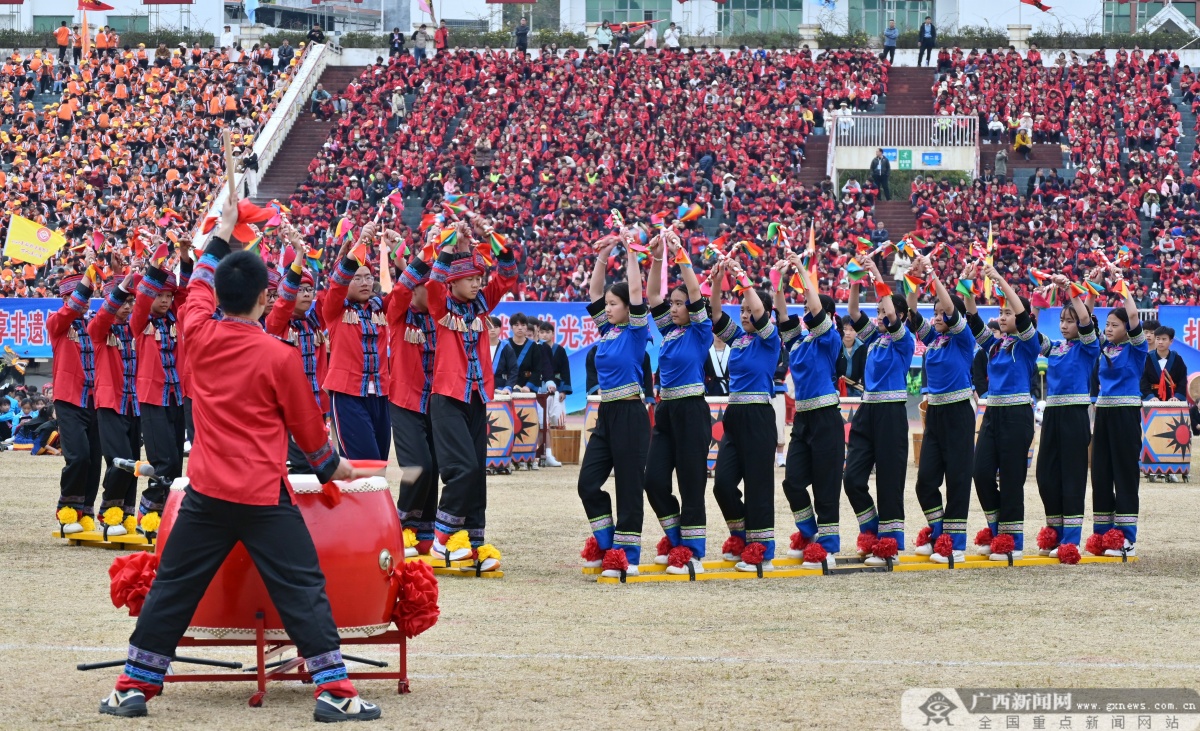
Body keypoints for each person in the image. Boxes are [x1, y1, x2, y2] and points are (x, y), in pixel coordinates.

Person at [99, 191, 380, 723]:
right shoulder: (279, 355)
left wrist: (223, 231)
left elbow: (201, 282)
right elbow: (308, 432)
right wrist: (332, 466)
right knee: (302, 589)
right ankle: (335, 693)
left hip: (205, 488)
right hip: (261, 494)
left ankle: (132, 685)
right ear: (261, 298)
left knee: (174, 589)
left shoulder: (196, 334)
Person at [412, 217, 517, 565]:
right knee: (462, 469)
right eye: (471, 279)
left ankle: (474, 544)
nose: (477, 283)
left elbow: (507, 274)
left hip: (476, 397)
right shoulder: (441, 305)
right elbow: (435, 280)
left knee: (478, 474)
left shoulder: (483, 305)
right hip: (446, 397)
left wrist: (490, 237)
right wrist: (452, 244)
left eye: (478, 279)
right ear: (455, 282)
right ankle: (442, 536)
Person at [578, 231, 651, 577]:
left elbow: (636, 291)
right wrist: (604, 254)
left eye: (613, 304)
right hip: (606, 413)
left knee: (628, 487)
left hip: (631, 414)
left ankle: (627, 557)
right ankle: (607, 545)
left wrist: (632, 251)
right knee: (588, 483)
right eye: (606, 304)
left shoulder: (637, 331)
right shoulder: (606, 331)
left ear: (627, 307)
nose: (606, 307)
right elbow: (594, 290)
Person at [643, 228, 712, 575]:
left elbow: (696, 291)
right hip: (666, 410)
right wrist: (658, 256)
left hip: (692, 411)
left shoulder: (701, 330)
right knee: (653, 479)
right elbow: (652, 292)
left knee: (691, 483)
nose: (672, 307)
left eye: (679, 303)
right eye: (672, 303)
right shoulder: (669, 330)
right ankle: (675, 538)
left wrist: (680, 253)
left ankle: (693, 551)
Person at [965, 263, 1040, 561]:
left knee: (1011, 479)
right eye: (1001, 313)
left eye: (1008, 313)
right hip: (992, 416)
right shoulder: (995, 346)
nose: (1003, 316)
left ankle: (1012, 542)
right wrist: (966, 284)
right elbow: (972, 319)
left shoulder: (1027, 345)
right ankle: (997, 531)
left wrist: (999, 280)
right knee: (981, 473)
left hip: (1017, 417)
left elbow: (1022, 314)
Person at [709, 258, 781, 572]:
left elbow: (759, 310)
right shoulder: (737, 339)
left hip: (759, 417)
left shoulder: (770, 340)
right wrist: (716, 280)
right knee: (722, 484)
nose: (745, 315)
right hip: (735, 415)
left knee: (758, 487)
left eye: (750, 310)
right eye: (742, 311)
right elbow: (714, 314)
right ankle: (740, 537)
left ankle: (761, 549)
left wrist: (742, 277)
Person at [904, 255, 976, 563]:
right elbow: (911, 311)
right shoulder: (933, 341)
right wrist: (912, 279)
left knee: (958, 480)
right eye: (933, 313)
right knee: (925, 481)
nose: (935, 317)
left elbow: (950, 306)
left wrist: (934, 273)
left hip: (959, 413)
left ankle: (955, 545)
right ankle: (939, 531)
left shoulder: (963, 340)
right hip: (935, 415)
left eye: (940, 313)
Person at [843, 258, 914, 564]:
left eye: (885, 312)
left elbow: (892, 315)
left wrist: (876, 274)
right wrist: (857, 280)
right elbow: (854, 312)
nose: (880, 314)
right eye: (880, 311)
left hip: (891, 413)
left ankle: (890, 546)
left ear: (899, 316)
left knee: (889, 480)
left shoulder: (904, 340)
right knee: (852, 478)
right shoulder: (874, 337)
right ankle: (871, 533)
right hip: (867, 410)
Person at [776, 255, 844, 568]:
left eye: (811, 309)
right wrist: (780, 280)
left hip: (827, 418)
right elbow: (780, 314)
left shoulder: (831, 340)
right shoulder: (799, 342)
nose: (806, 314)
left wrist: (803, 272)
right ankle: (809, 533)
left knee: (826, 486)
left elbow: (816, 309)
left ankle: (827, 546)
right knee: (792, 482)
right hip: (803, 419)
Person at [1035, 275, 1099, 557]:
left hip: (1075, 416)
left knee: (1072, 477)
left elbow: (1086, 319)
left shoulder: (1089, 347)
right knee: (1045, 475)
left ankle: (1070, 539)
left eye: (1069, 320)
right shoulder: (1055, 347)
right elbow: (1029, 336)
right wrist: (1035, 306)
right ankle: (1054, 533)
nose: (1064, 324)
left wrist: (1070, 289)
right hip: (1052, 415)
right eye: (1061, 319)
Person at [387, 233, 441, 558]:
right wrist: (419, 255)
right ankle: (400, 529)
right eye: (429, 286)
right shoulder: (398, 314)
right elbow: (401, 287)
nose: (436, 292)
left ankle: (425, 532)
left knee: (433, 467)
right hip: (405, 400)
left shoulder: (440, 315)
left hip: (436, 402)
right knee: (418, 465)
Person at [130, 248, 190, 529]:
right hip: (153, 398)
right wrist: (156, 265)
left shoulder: (176, 318)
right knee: (162, 460)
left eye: (168, 296)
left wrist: (186, 254)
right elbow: (141, 300)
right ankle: (147, 512)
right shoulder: (140, 322)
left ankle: (166, 516)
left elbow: (186, 293)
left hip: (177, 397)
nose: (165, 300)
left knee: (176, 462)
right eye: (160, 295)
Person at [1091, 271, 1148, 557]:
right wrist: (1086, 288)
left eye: (1114, 325)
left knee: (1124, 475)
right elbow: (1086, 323)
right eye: (1108, 325)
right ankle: (1102, 535)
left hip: (1126, 414)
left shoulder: (1137, 348)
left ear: (1126, 327)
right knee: (1100, 473)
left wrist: (1121, 284)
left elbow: (1135, 315)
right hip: (1102, 414)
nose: (1109, 329)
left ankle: (1126, 537)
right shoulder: (1105, 347)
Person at [324, 222, 391, 462]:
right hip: (348, 394)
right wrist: (362, 243)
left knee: (379, 464)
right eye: (357, 278)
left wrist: (401, 252)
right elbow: (337, 282)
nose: (365, 282)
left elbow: (406, 291)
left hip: (381, 395)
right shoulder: (334, 309)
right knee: (363, 465)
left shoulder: (380, 308)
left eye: (368, 277)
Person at [266, 224, 331, 473]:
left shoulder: (316, 320)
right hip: (290, 408)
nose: (305, 294)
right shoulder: (277, 322)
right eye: (300, 289)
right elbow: (284, 299)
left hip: (317, 407)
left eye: (309, 290)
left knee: (319, 468)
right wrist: (299, 256)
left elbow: (333, 292)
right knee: (301, 466)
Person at [48, 270, 103, 534]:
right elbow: (70, 310)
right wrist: (87, 276)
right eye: (78, 296)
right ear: (65, 300)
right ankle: (67, 511)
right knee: (79, 457)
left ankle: (86, 512)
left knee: (94, 459)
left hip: (97, 400)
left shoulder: (96, 325)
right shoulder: (57, 324)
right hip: (69, 399)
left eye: (88, 296)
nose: (85, 301)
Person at [88, 273, 141, 537]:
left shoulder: (137, 329)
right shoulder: (99, 331)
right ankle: (108, 515)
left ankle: (126, 516)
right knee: (121, 462)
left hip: (135, 404)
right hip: (110, 403)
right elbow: (102, 316)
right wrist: (120, 287)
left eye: (132, 301)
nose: (128, 307)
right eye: (123, 301)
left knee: (134, 466)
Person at [537, 320, 570, 467]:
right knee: (541, 422)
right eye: (542, 332)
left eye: (547, 332)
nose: (544, 335)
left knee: (556, 419)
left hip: (555, 388)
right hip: (540, 387)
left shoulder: (560, 350)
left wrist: (563, 390)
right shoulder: (536, 348)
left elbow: (565, 371)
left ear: (553, 334)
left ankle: (556, 452)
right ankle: (540, 452)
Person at [1141, 326, 1188, 402]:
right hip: (1152, 399)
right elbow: (1143, 380)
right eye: (1158, 338)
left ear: (1171, 341)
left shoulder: (1177, 359)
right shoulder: (1148, 358)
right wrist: (1150, 397)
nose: (1160, 342)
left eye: (1164, 339)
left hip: (1172, 399)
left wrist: (1177, 397)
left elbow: (1182, 380)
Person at [836, 320, 866, 397]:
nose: (848, 333)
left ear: (857, 331)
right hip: (837, 387)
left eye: (852, 329)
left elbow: (864, 371)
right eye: (845, 329)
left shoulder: (862, 347)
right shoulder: (835, 346)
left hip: (855, 387)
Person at [488, 316, 518, 390]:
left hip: (501, 388)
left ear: (500, 329)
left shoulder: (506, 348)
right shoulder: (478, 347)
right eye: (489, 326)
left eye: (495, 327)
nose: (492, 329)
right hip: (482, 388)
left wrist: (508, 387)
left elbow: (513, 370)